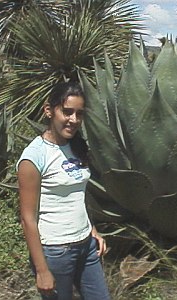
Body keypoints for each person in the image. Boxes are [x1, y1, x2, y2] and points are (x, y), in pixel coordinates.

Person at [17, 81, 110, 300]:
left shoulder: (76, 146)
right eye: (67, 112)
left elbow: (77, 196)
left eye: (79, 114)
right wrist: (42, 271)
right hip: (56, 251)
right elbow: (27, 219)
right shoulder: (34, 157)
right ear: (49, 111)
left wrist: (92, 229)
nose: (74, 120)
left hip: (86, 246)